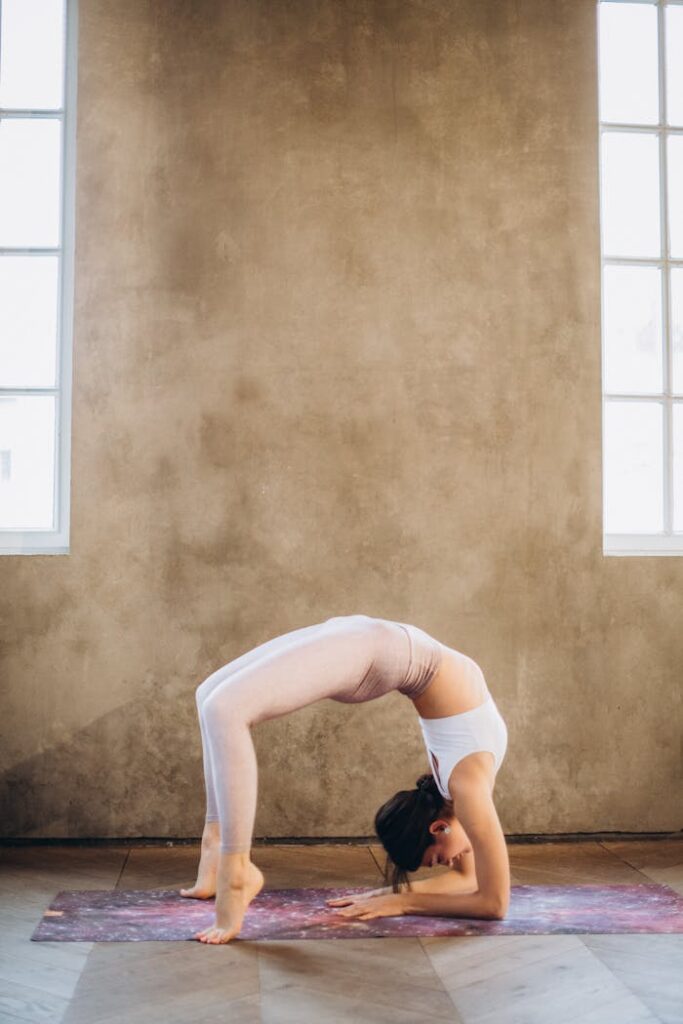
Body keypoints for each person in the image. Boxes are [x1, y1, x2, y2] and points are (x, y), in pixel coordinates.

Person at [180, 614, 509, 943]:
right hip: (376, 649)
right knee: (215, 701)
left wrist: (392, 897)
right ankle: (233, 868)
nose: (450, 862)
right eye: (439, 859)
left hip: (372, 639)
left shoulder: (451, 793)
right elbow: (494, 903)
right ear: (438, 827)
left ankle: (218, 849)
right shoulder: (468, 789)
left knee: (218, 704)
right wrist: (403, 903)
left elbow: (467, 880)